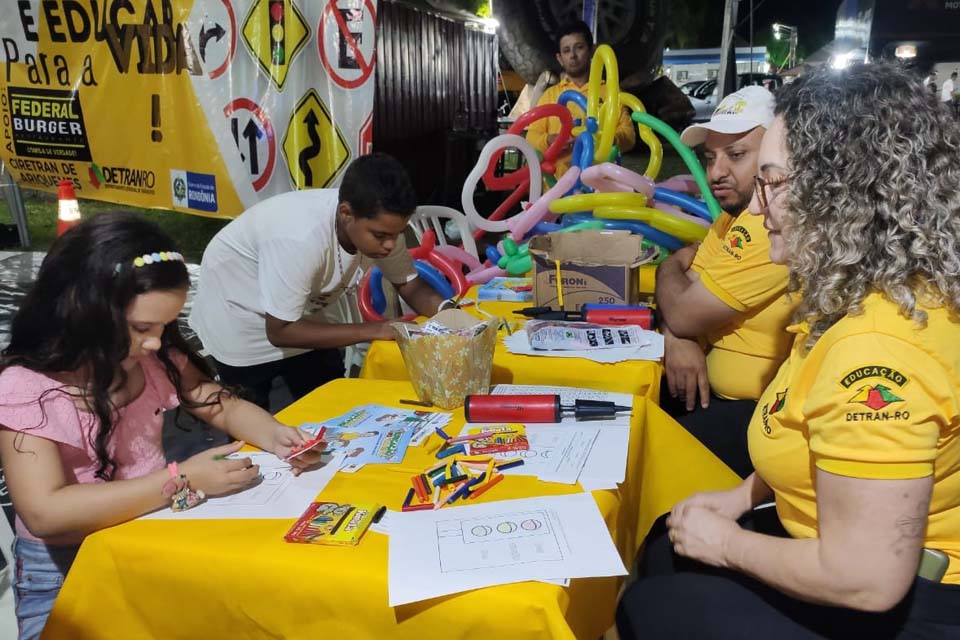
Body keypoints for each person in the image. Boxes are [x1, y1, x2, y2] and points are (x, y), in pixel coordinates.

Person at [618, 63, 960, 638]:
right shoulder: (858, 289)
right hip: (826, 540)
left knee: (648, 608)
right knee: (662, 549)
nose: (756, 207)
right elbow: (799, 432)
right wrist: (739, 497)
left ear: (843, 195)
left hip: (911, 600)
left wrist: (728, 543)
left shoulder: (876, 346)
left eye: (771, 182)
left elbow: (869, 579)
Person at [0, 213, 325, 640]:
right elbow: (45, 513)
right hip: (65, 569)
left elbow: (216, 402)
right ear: (83, 308)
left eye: (165, 327)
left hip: (147, 538)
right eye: (141, 328)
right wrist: (181, 479)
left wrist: (275, 434)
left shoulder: (149, 361)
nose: (155, 342)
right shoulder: (27, 388)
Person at [189, 153, 446, 410]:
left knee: (335, 414)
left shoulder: (381, 226)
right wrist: (375, 329)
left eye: (397, 234)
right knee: (251, 428)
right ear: (346, 213)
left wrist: (452, 314)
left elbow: (410, 284)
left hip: (303, 320)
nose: (391, 245)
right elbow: (280, 330)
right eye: (381, 235)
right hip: (241, 324)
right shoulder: (299, 238)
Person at [655, 86, 797, 478]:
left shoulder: (771, 222)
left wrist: (669, 270)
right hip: (713, 395)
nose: (716, 173)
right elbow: (681, 305)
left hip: (758, 416)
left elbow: (682, 307)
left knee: (642, 461)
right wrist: (675, 337)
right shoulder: (733, 214)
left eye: (736, 156)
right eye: (710, 158)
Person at [524, 20, 636, 178]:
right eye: (566, 50)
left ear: (592, 50)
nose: (573, 56)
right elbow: (531, 137)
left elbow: (629, 136)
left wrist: (602, 140)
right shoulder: (550, 96)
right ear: (560, 58)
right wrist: (550, 140)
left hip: (599, 187)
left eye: (579, 47)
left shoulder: (611, 92)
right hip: (557, 190)